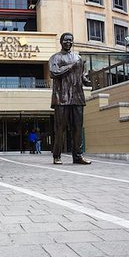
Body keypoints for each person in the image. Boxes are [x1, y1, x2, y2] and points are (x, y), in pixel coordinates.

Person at [49, 32, 91, 165]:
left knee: (78, 128)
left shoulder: (78, 58)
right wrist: (70, 66)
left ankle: (78, 156)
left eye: (70, 40)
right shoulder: (55, 57)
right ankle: (57, 156)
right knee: (60, 128)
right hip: (61, 98)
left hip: (77, 97)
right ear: (61, 42)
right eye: (66, 40)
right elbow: (53, 73)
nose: (68, 42)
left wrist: (86, 80)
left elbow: (81, 76)